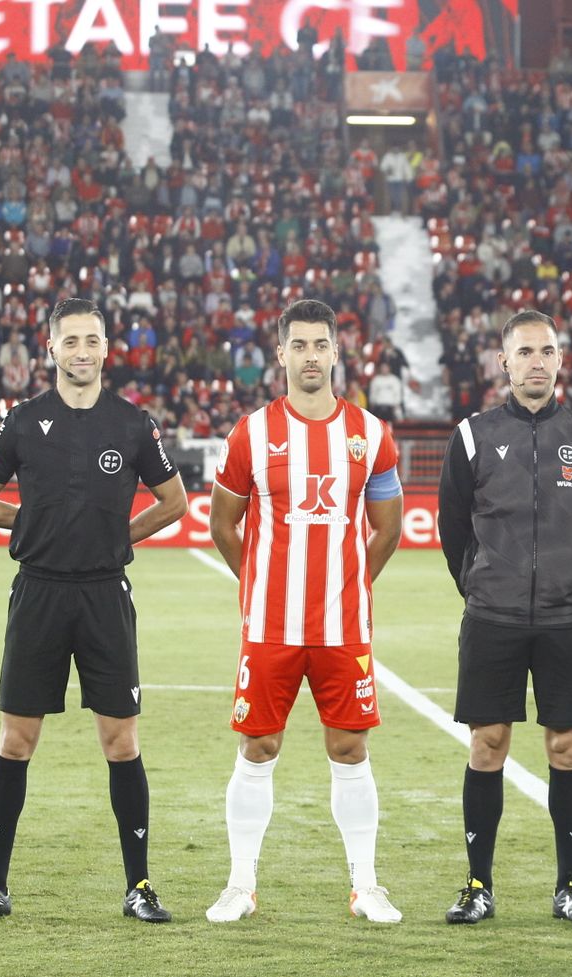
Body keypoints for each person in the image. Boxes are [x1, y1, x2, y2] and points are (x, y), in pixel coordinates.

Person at [0, 298, 188, 923]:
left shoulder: (134, 424)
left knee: (120, 742)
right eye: (71, 342)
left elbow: (174, 502)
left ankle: (139, 886)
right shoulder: (24, 421)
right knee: (16, 740)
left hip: (105, 594)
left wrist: (120, 537)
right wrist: (31, 521)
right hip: (38, 592)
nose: (82, 352)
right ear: (51, 349)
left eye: (93, 340)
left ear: (107, 348)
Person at [205, 299, 406, 925]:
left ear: (336, 354)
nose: (311, 356)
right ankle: (241, 884)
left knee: (350, 750)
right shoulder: (252, 433)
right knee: (258, 746)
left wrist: (352, 584)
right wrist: (261, 581)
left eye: (322, 345)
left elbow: (387, 527)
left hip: (344, 627)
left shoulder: (369, 434)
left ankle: (366, 885)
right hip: (269, 625)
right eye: (300, 345)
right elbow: (223, 523)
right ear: (282, 354)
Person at [437, 310, 572, 925]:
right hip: (493, 616)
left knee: (567, 748)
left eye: (547, 351)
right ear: (504, 362)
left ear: (560, 361)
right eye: (525, 352)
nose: (536, 362)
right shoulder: (473, 435)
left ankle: (570, 886)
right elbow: (452, 525)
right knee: (488, 745)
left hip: (568, 619)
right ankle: (476, 884)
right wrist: (479, 584)